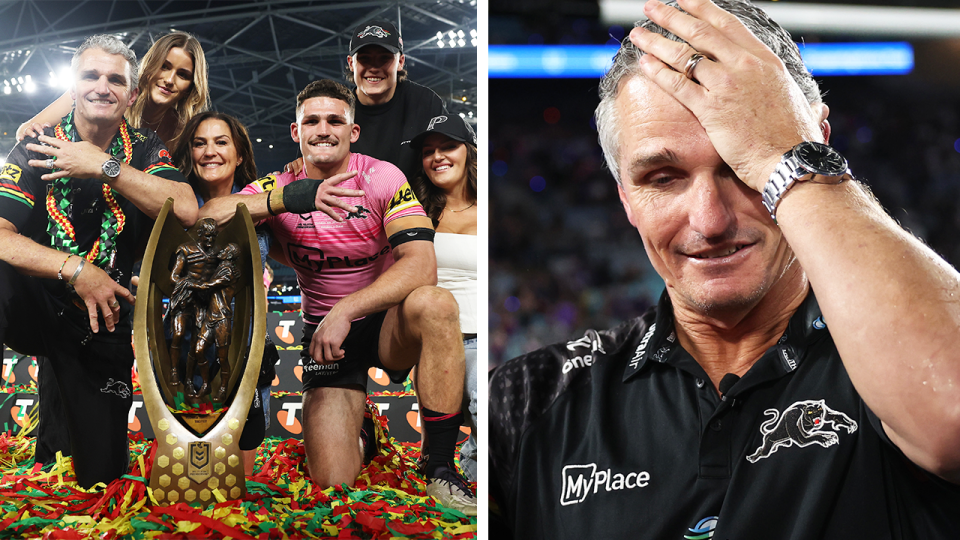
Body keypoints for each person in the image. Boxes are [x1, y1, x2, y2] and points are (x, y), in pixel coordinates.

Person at [489, 0, 960, 538]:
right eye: (662, 178)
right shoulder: (528, 400)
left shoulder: (888, 376)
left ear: (817, 149)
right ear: (624, 197)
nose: (709, 221)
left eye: (742, 167)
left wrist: (793, 159)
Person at [198, 79, 477, 515]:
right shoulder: (278, 185)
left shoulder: (384, 176)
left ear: (354, 131)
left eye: (334, 120)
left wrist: (347, 308)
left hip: (384, 323)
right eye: (311, 120)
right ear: (296, 132)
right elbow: (207, 219)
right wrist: (292, 197)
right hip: (326, 337)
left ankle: (438, 465)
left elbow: (422, 265)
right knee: (333, 483)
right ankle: (361, 431)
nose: (323, 129)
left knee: (435, 302)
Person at [0, 34, 198, 488]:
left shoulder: (145, 148)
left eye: (115, 80)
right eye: (90, 75)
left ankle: (65, 436)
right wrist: (75, 269)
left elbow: (186, 207)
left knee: (96, 476)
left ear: (132, 95)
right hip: (37, 298)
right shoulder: (38, 144)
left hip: (102, 317)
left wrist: (102, 165)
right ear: (72, 87)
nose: (101, 87)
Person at [172, 111, 280, 472]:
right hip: (184, 349)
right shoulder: (173, 206)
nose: (210, 152)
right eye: (199, 143)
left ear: (240, 156)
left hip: (246, 349)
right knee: (190, 477)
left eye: (221, 143)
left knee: (237, 477)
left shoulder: (265, 204)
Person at [409, 114, 478, 481]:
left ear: (468, 151)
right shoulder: (414, 209)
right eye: (428, 151)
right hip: (442, 341)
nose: (437, 156)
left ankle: (468, 461)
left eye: (447, 146)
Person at [17, 31, 209, 149]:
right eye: (164, 66)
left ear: (190, 88)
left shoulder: (182, 131)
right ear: (150, 67)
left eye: (182, 75)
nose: (169, 80)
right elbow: (24, 131)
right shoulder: (102, 96)